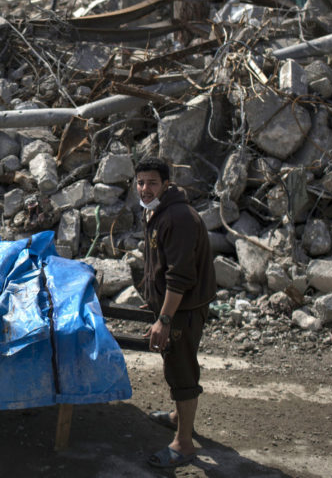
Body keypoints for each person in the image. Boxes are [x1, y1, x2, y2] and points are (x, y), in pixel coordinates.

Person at [135, 156, 216, 469]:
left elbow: (180, 276)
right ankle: (177, 417)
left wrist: (165, 318)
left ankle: (183, 445)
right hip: (173, 305)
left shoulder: (177, 217)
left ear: (166, 184)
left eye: (152, 182)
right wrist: (155, 301)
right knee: (175, 364)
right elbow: (159, 264)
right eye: (140, 182)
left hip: (184, 310)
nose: (145, 188)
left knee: (181, 372)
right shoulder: (156, 210)